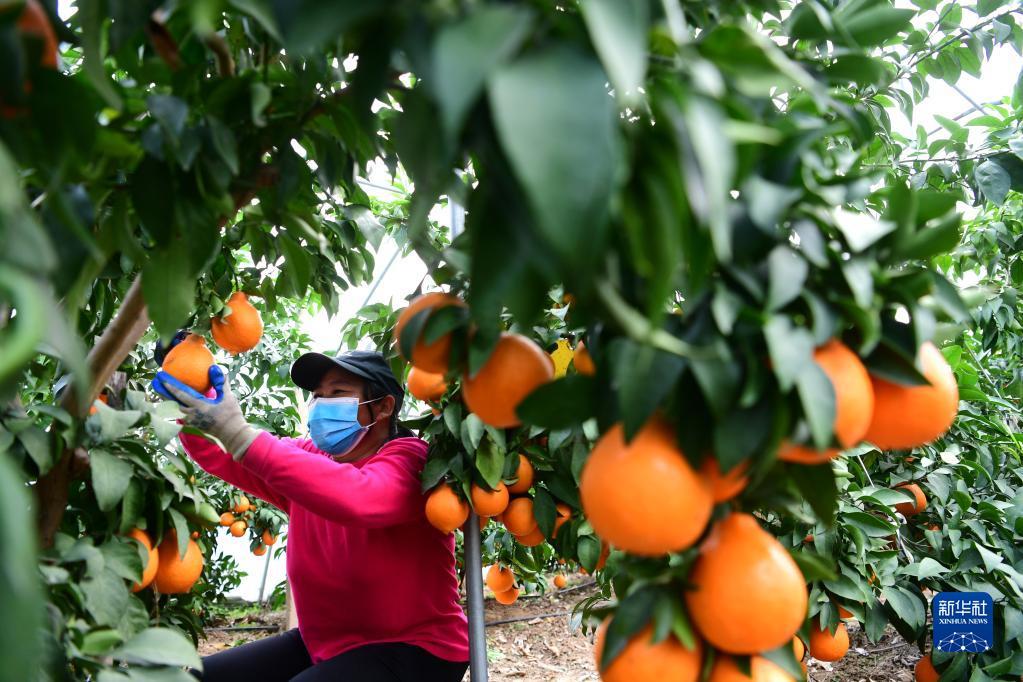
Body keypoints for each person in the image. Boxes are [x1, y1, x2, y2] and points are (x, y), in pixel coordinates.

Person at [152, 347, 469, 682]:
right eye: (318, 395)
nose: (323, 404)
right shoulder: (309, 457)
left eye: (338, 393)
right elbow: (224, 455)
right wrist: (194, 392)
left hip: (416, 648)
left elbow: (361, 496)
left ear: (383, 407)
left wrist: (239, 433)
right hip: (326, 641)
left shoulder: (412, 460)